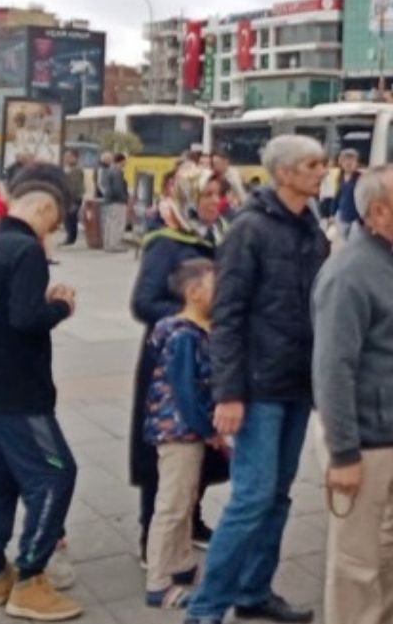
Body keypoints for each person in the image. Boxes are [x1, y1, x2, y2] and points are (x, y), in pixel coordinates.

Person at [184, 135, 328, 624]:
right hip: (258, 386)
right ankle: (204, 609)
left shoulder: (312, 227)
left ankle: (253, 591)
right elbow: (227, 316)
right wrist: (229, 392)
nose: (322, 172)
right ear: (283, 173)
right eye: (312, 165)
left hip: (296, 383)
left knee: (279, 495)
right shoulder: (249, 229)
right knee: (251, 498)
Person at [312, 163, 393, 624]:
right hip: (364, 444)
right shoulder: (348, 273)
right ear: (378, 213)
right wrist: (343, 454)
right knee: (356, 563)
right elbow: (332, 368)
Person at [0, 164, 82, 620]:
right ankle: (31, 576)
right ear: (45, 209)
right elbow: (26, 318)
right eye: (54, 222)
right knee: (55, 474)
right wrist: (60, 305)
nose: (53, 231)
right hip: (20, 391)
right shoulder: (24, 251)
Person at [130, 166, 228, 563]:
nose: (212, 203)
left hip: (208, 355)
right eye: (205, 195)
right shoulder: (166, 242)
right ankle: (149, 536)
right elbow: (143, 302)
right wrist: (193, 314)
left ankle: (192, 517)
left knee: (202, 443)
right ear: (186, 196)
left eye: (216, 195)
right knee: (167, 450)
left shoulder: (213, 235)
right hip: (171, 358)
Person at [144, 258, 227, 610]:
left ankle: (180, 564)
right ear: (194, 293)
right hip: (178, 431)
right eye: (216, 287)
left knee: (185, 499)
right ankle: (159, 582)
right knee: (173, 505)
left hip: (184, 430)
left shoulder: (193, 332)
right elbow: (186, 392)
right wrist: (208, 430)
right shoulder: (183, 336)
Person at [330, 148, 361, 242]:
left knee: (354, 243)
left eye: (352, 160)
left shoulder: (361, 178)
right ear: (341, 162)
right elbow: (337, 196)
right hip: (343, 216)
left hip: (357, 218)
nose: (348, 163)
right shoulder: (340, 177)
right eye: (345, 160)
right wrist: (332, 213)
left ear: (356, 162)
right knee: (344, 242)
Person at [101, 152, 130, 252]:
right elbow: (118, 188)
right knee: (117, 223)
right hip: (117, 201)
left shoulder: (109, 170)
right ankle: (115, 244)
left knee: (109, 223)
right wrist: (124, 198)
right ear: (121, 160)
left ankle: (108, 244)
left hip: (109, 200)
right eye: (125, 160)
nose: (126, 162)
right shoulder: (117, 172)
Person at [61, 149, 85, 246]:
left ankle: (71, 237)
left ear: (74, 158)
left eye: (68, 157)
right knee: (67, 217)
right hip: (67, 196)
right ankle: (69, 236)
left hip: (73, 197)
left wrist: (73, 196)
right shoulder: (67, 168)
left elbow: (75, 185)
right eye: (65, 157)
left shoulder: (76, 170)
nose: (66, 159)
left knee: (71, 217)